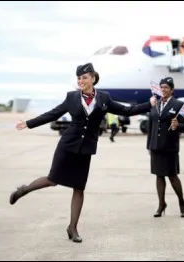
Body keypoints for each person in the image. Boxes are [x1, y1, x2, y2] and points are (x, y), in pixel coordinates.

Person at [9, 63, 157, 242]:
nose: (81, 81)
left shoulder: (104, 98)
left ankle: (72, 228)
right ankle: (24, 190)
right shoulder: (71, 97)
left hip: (85, 148)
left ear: (93, 78)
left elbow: (126, 110)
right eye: (79, 78)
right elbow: (53, 114)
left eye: (84, 77)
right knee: (53, 180)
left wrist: (148, 104)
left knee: (79, 188)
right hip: (67, 144)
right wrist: (29, 123)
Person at [147, 77, 184, 218]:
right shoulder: (155, 104)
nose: (163, 89)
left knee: (172, 176)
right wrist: (149, 145)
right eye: (161, 87)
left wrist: (178, 126)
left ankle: (182, 202)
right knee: (159, 176)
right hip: (156, 146)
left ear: (172, 90)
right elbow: (151, 126)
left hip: (170, 147)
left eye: (166, 87)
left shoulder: (179, 105)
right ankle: (161, 204)